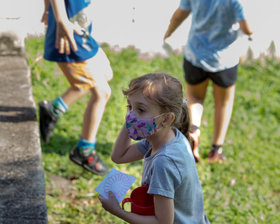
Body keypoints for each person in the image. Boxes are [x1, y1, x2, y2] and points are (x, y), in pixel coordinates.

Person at [98, 73, 210, 223]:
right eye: (130, 106)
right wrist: (131, 120)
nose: (132, 115)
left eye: (141, 110)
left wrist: (117, 211)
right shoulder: (166, 137)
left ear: (166, 119)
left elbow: (163, 222)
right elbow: (119, 156)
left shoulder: (164, 162)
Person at [164, 0, 253, 163]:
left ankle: (193, 131)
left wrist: (168, 32)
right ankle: (216, 151)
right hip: (225, 60)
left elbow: (179, 15)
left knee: (195, 99)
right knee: (223, 104)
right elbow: (247, 28)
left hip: (195, 55)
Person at [39, 0, 113, 175]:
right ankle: (85, 151)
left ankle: (54, 109)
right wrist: (61, 20)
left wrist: (48, 10)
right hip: (69, 36)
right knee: (101, 92)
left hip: (81, 32)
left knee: (105, 73)